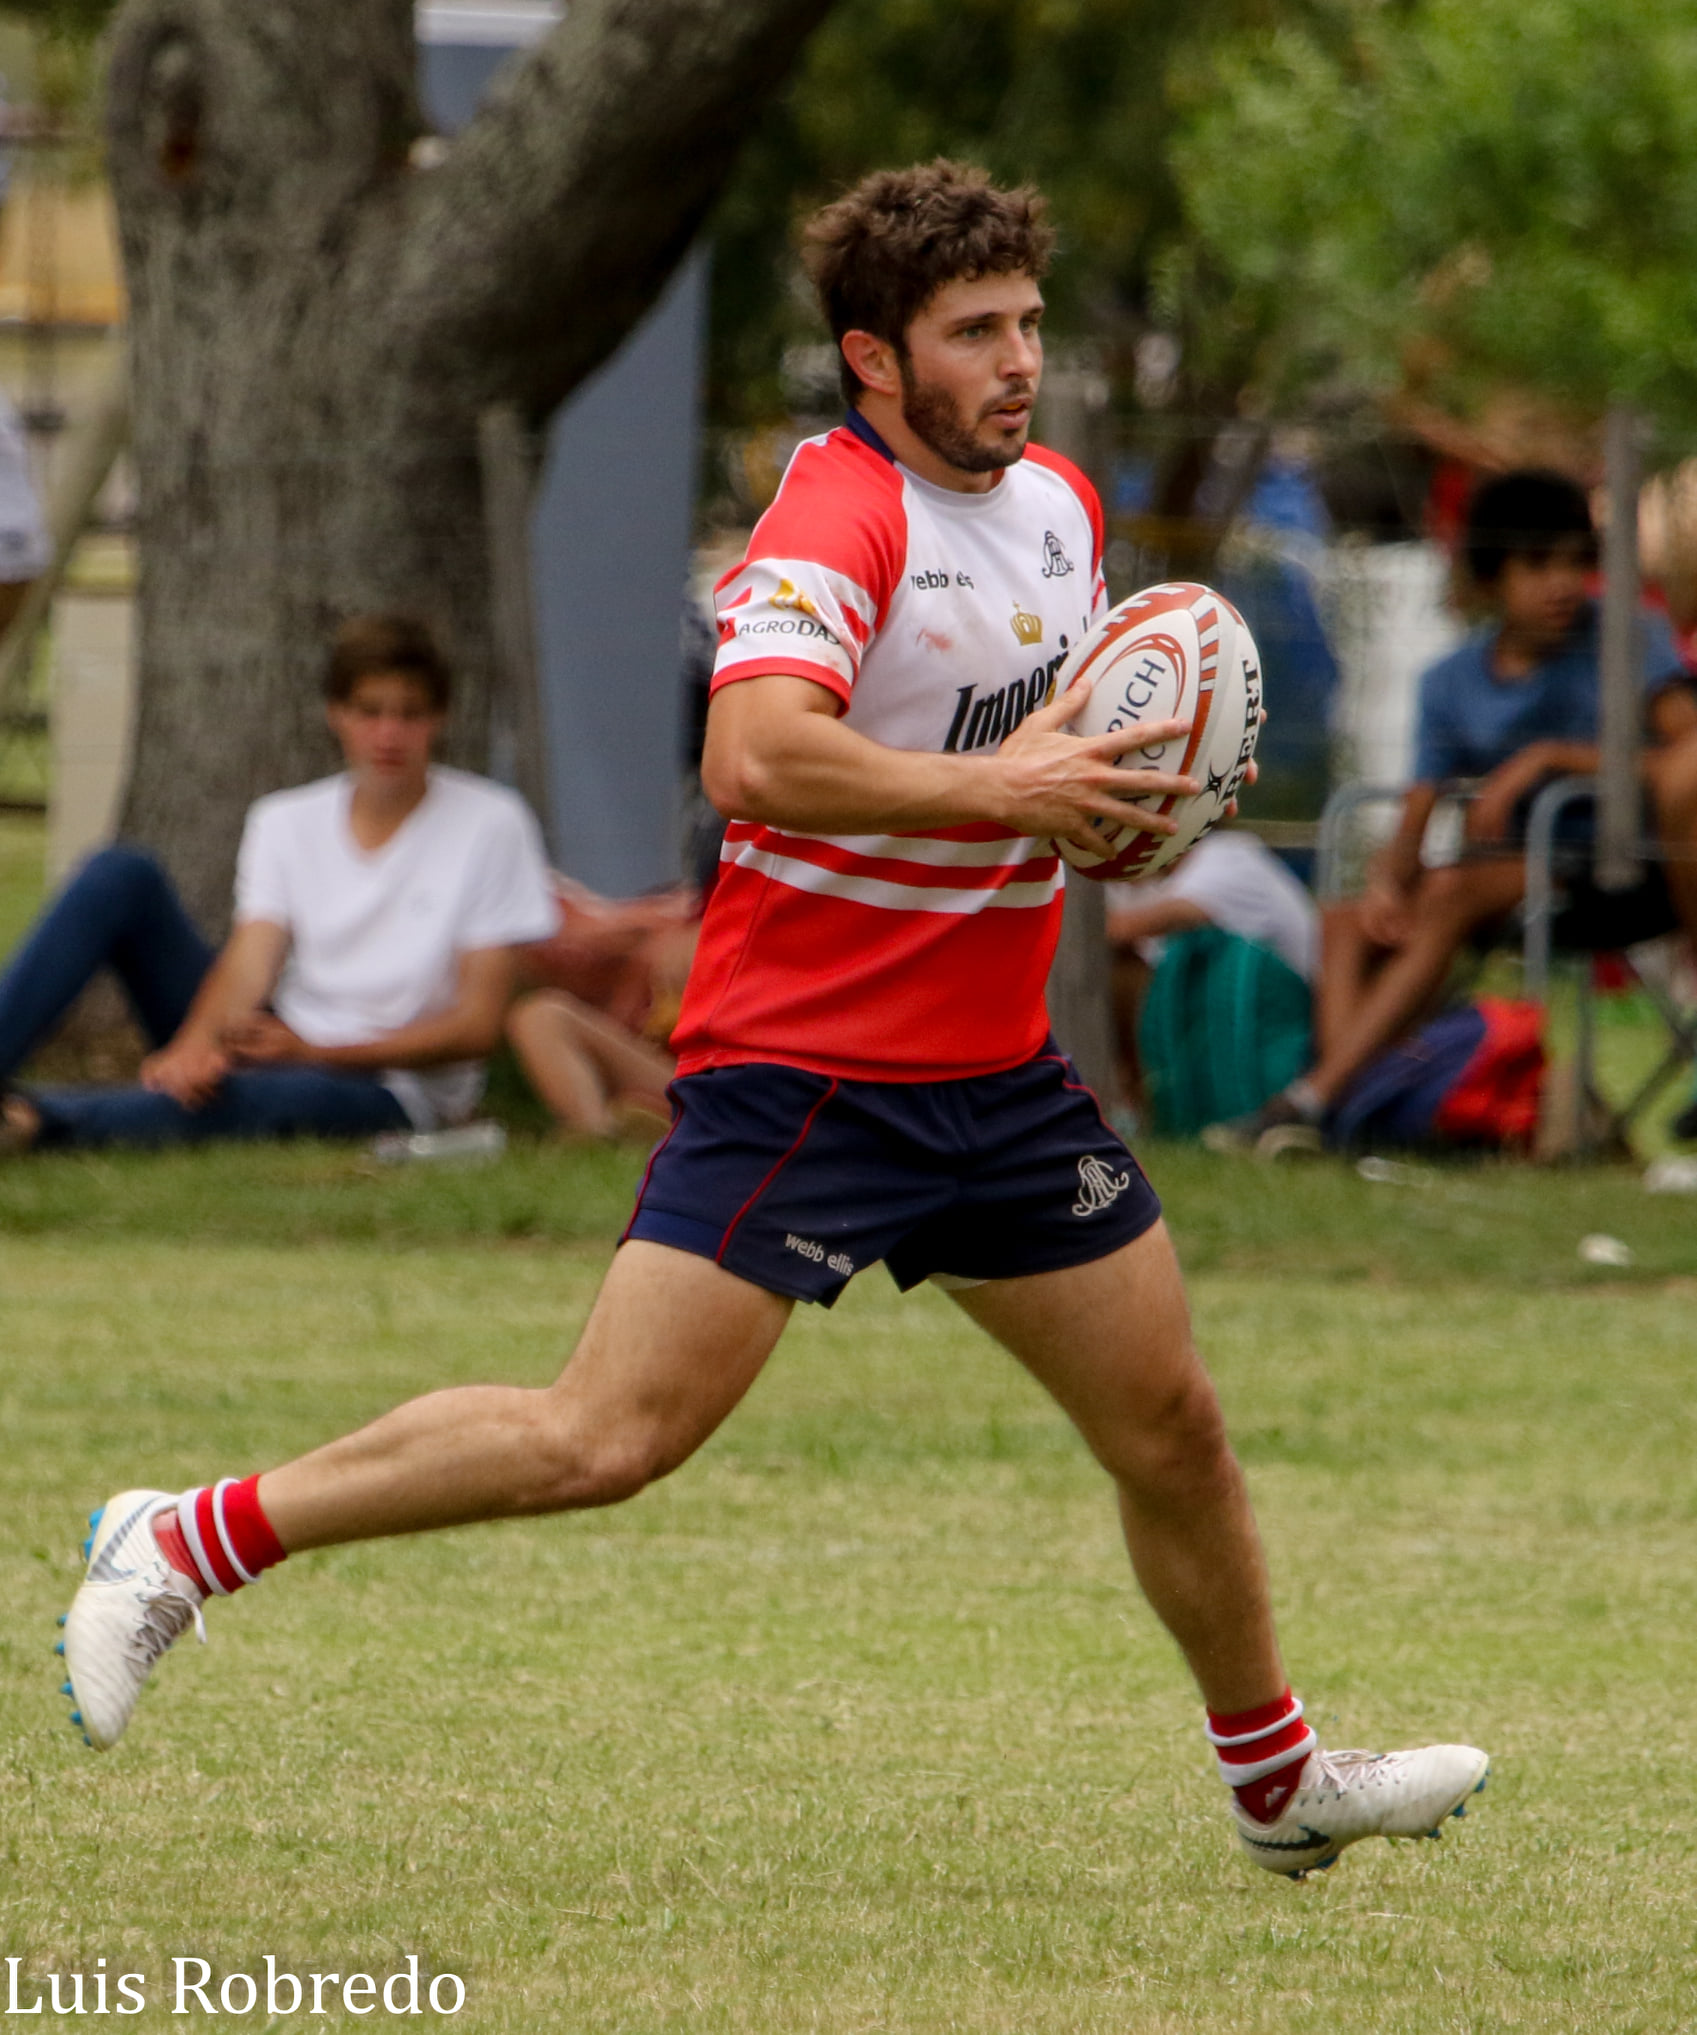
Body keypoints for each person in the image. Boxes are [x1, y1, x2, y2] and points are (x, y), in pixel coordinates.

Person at [61, 163, 1487, 1881]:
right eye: (974, 333)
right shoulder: (837, 515)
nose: (1018, 362)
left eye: (1028, 323)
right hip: (806, 1073)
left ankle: (1275, 1781)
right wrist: (1007, 787)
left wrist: (1129, 795)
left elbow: (1047, 764)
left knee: (1168, 1422)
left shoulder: (1057, 505)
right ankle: (186, 1540)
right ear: (875, 359)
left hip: (996, 1079)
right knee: (605, 1438)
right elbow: (753, 753)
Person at [1211, 469, 1697, 1154]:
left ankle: (1314, 1101)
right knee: (1348, 922)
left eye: (1573, 563)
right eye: (1537, 564)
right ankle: (1355, 1106)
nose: (1562, 584)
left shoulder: (1625, 639)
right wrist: (1387, 884)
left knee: (1447, 892)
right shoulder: (1450, 679)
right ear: (1491, 575)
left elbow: (1686, 760)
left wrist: (1550, 758)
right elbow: (1417, 809)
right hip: (1501, 875)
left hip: (1618, 868)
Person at [1, 615, 554, 1153]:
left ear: (439, 719)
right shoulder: (285, 819)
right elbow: (250, 961)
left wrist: (315, 1052)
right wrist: (198, 1045)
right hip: (281, 1037)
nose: (389, 734)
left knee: (266, 1099)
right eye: (370, 711)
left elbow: (477, 1026)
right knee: (120, 874)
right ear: (336, 713)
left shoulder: (491, 823)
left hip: (389, 1083)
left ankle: (33, 1119)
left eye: (410, 715)